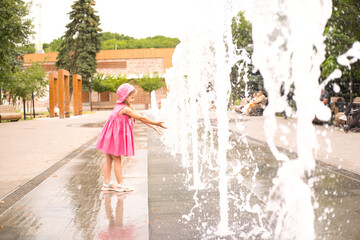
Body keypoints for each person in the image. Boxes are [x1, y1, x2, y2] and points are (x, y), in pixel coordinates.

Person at [96, 83, 166, 192]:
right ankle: (120, 184)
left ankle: (106, 183)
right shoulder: (125, 109)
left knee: (109, 159)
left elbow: (140, 118)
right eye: (131, 97)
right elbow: (141, 117)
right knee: (117, 159)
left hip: (110, 136)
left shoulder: (121, 106)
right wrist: (156, 123)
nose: (133, 100)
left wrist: (153, 126)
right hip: (114, 137)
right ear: (125, 96)